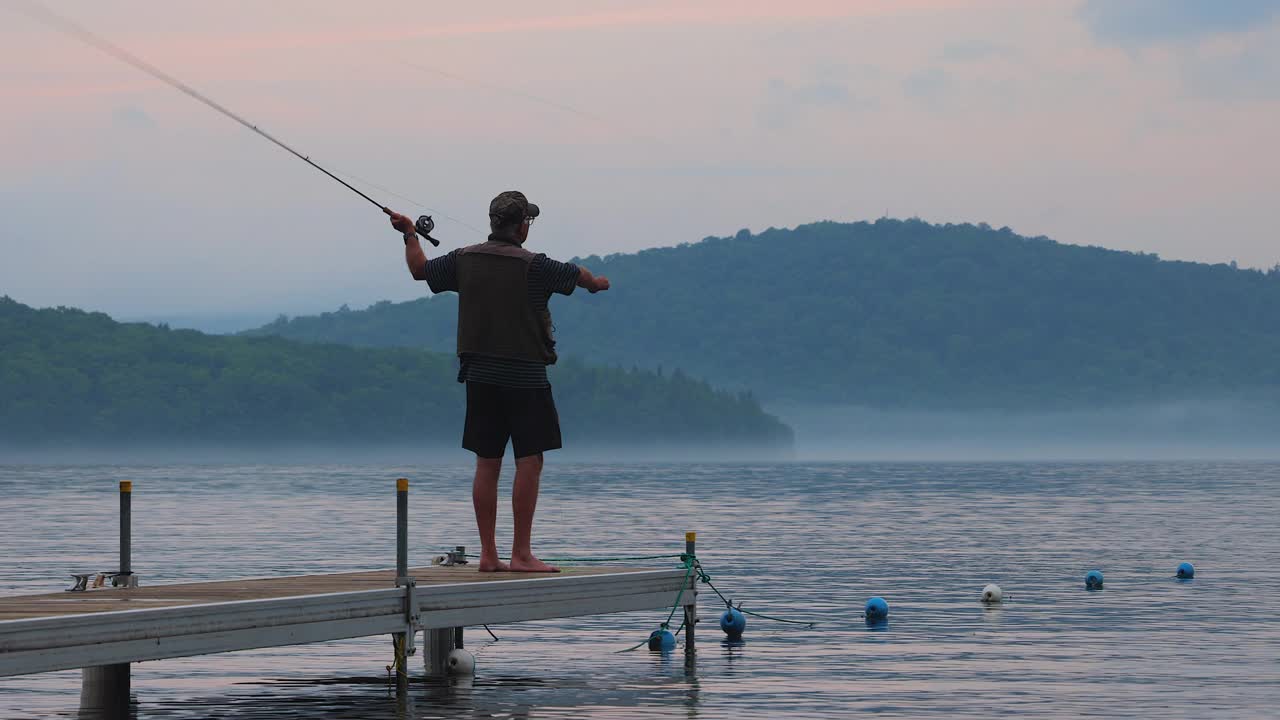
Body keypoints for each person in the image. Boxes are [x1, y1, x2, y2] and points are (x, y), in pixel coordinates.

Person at [388, 191, 610, 572]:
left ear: (494, 222)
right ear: (521, 225)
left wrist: (409, 233)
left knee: (487, 463)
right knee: (529, 460)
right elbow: (581, 276)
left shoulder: (464, 259)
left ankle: (489, 555)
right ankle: (521, 554)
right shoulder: (536, 265)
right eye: (529, 221)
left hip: (479, 376)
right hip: (525, 377)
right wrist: (599, 283)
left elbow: (419, 269)